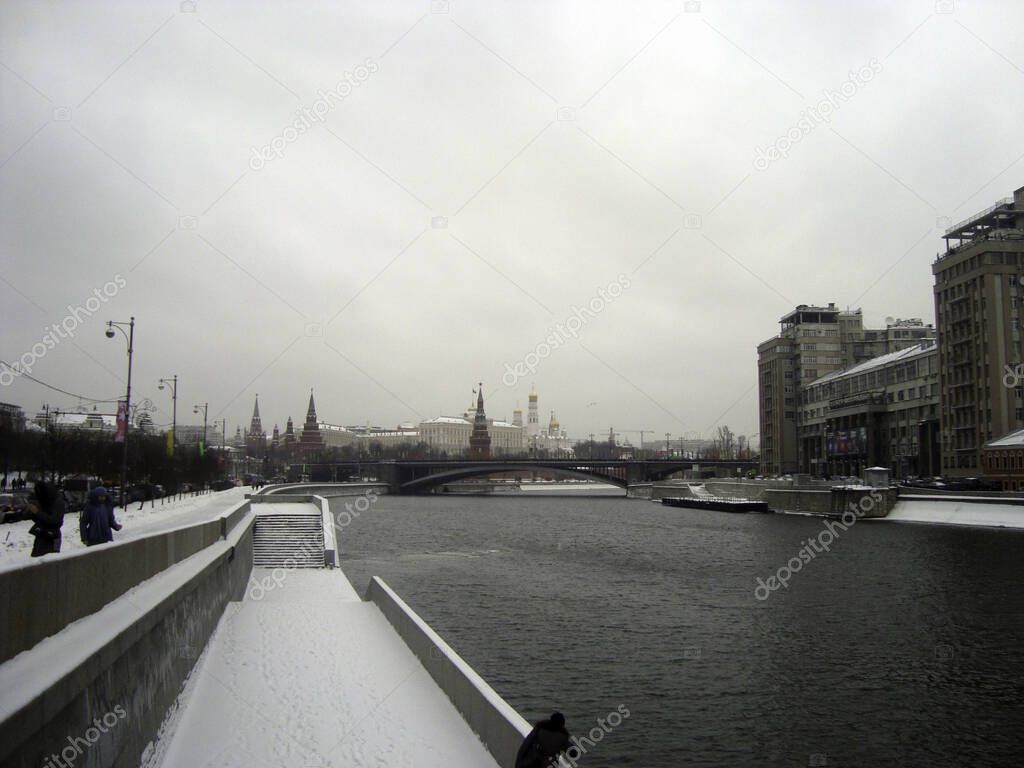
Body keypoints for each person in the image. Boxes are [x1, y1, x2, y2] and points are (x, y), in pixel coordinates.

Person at [27, 481, 66, 557]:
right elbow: (41, 519)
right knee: (36, 559)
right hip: (42, 535)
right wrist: (32, 512)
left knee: (50, 560)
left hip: (52, 536)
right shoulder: (46, 500)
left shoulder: (58, 502)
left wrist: (37, 512)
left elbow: (54, 520)